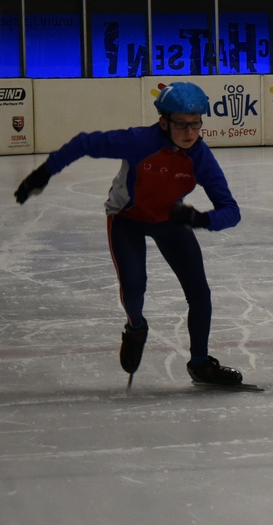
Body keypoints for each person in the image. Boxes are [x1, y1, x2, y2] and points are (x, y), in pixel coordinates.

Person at [13, 82, 244, 387]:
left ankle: (200, 364)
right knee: (134, 286)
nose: (190, 132)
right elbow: (84, 143)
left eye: (196, 123)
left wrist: (200, 219)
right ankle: (135, 327)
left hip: (169, 220)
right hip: (127, 219)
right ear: (163, 122)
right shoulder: (139, 141)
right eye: (181, 124)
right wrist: (43, 173)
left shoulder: (200, 156)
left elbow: (231, 211)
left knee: (200, 293)